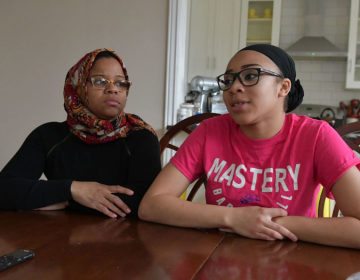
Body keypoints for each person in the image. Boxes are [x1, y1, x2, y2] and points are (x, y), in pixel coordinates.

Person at [139, 44, 360, 249]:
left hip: (292, 258)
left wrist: (266, 223)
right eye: (228, 80)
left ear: (283, 87)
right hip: (217, 255)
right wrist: (233, 218)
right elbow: (152, 205)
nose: (234, 87)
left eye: (250, 76)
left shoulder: (316, 136)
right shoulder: (210, 131)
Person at [0, 48, 161, 218]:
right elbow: (4, 189)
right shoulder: (48, 136)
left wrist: (69, 200)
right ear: (78, 87)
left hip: (127, 238)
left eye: (120, 83)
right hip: (57, 238)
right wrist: (73, 188)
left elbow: (147, 202)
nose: (113, 89)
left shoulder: (140, 136)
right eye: (100, 81)